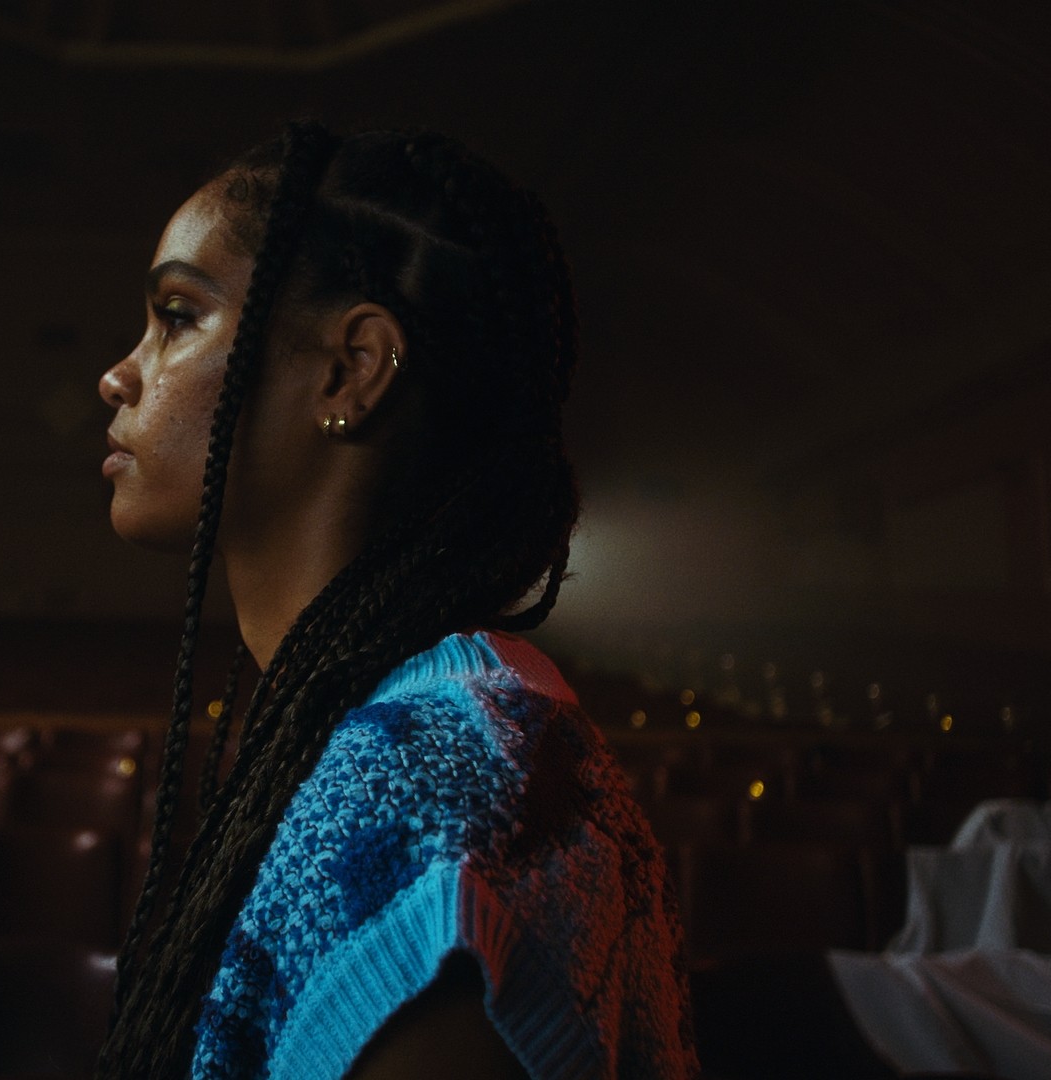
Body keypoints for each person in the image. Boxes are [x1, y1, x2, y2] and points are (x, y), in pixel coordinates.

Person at [93, 117, 697, 1080]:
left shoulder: (430, 796)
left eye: (177, 315)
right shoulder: (426, 728)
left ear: (350, 371)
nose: (118, 375)